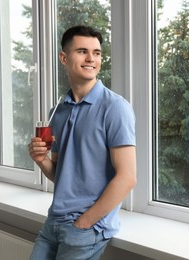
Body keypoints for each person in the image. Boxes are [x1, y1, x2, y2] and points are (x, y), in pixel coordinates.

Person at [28, 25, 136, 260]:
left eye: (96, 53)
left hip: (85, 229)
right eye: (82, 51)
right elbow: (61, 175)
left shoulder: (115, 108)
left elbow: (127, 178)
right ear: (64, 58)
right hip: (53, 222)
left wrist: (84, 223)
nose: (91, 59)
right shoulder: (57, 112)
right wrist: (40, 160)